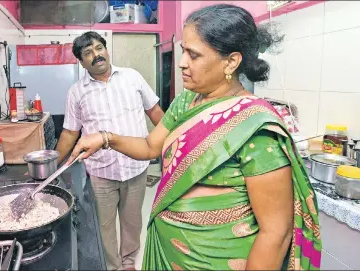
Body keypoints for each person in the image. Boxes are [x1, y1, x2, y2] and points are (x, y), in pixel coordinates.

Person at [66, 5, 322, 271]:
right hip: (169, 255)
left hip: (217, 261)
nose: (181, 62)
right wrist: (105, 138)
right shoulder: (187, 101)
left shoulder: (256, 129)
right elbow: (150, 146)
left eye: (193, 54)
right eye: (182, 51)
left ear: (231, 62)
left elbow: (275, 235)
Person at [55, 31, 164, 270]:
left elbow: (155, 113)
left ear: (106, 49)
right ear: (81, 62)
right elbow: (70, 133)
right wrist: (54, 164)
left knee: (132, 222)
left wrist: (174, 143)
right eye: (88, 53)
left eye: (98, 48)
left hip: (136, 168)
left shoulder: (132, 77)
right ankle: (112, 266)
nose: (96, 55)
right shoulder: (76, 91)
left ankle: (128, 263)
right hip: (101, 173)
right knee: (104, 227)